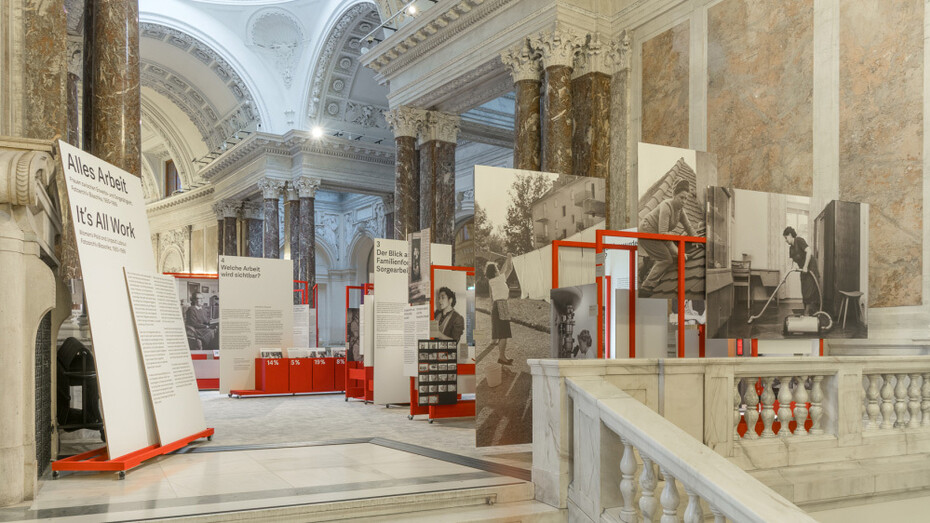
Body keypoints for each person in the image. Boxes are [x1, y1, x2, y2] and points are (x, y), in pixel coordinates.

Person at [639, 179, 696, 293]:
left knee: (671, 253)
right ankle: (645, 287)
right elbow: (664, 235)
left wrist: (698, 240)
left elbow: (689, 227)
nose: (684, 201)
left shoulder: (680, 211)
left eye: (686, 198)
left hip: (658, 234)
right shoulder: (666, 206)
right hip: (646, 231)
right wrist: (680, 252)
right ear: (674, 195)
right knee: (666, 259)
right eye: (681, 197)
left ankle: (647, 265)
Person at [783, 226, 821, 316]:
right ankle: (807, 311)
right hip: (803, 269)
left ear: (790, 235)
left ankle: (807, 313)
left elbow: (809, 251)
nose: (785, 240)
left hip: (810, 267)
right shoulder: (791, 248)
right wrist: (784, 276)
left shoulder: (799, 240)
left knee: (809, 291)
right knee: (804, 291)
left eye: (786, 238)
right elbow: (790, 264)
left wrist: (805, 266)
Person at [486, 255, 514, 365]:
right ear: (494, 272)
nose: (499, 270)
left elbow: (506, 269)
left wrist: (508, 260)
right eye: (497, 269)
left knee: (503, 333)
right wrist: (509, 259)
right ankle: (502, 357)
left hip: (500, 305)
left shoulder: (495, 280)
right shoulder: (497, 279)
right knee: (504, 333)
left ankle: (502, 356)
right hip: (501, 306)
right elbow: (509, 269)